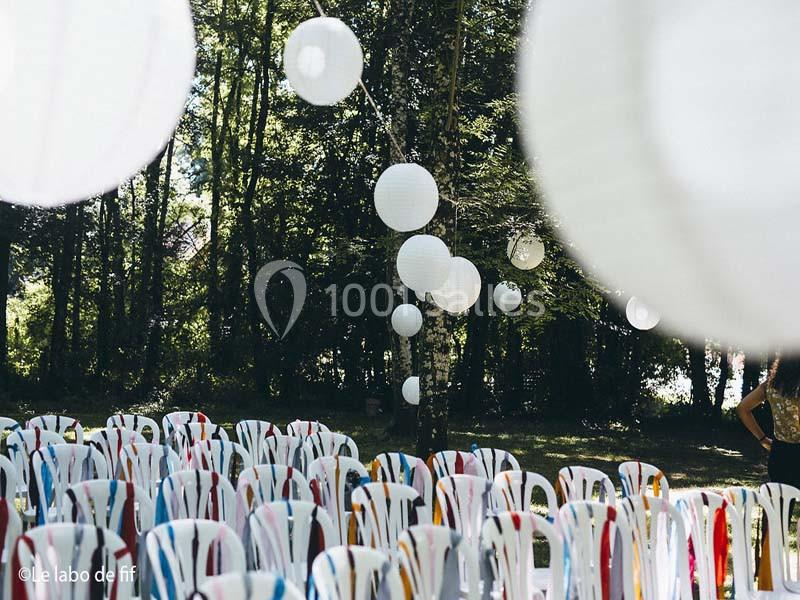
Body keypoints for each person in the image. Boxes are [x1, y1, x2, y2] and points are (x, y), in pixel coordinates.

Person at [737, 355, 800, 488]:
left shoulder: (771, 385)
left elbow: (743, 408)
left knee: (779, 501)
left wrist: (763, 439)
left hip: (779, 454)